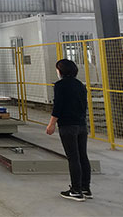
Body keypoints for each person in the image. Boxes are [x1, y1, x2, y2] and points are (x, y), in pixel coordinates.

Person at [46, 59, 91, 202]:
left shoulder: (60, 85)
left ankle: (76, 190)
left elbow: (58, 106)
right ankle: (85, 188)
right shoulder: (80, 85)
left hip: (68, 126)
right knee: (82, 156)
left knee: (73, 158)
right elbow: (84, 105)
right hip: (81, 125)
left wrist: (51, 124)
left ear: (61, 71)